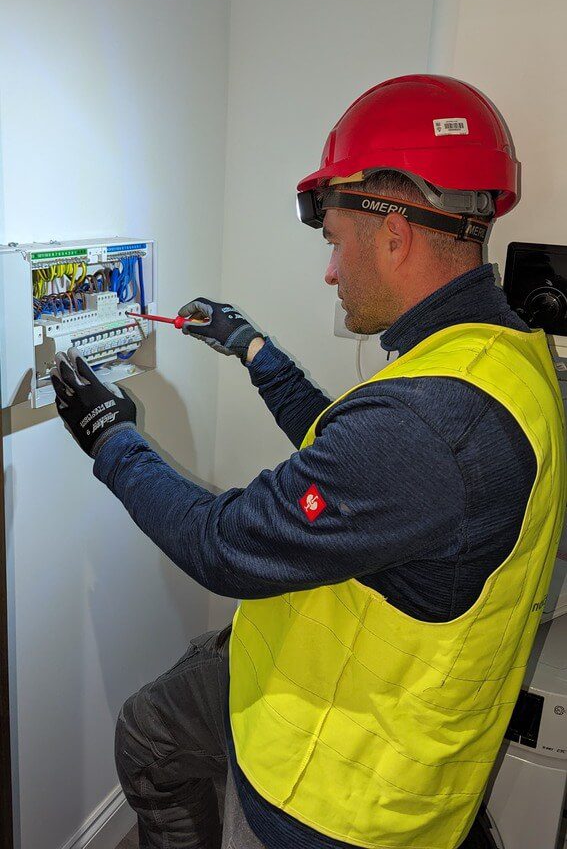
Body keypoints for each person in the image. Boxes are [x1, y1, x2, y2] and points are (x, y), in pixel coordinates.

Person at [50, 74, 566, 849]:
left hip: (336, 789)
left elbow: (222, 545)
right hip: (331, 679)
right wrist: (251, 348)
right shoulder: (499, 357)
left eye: (334, 242)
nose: (330, 271)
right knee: (153, 729)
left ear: (392, 236)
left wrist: (110, 437)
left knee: (154, 737)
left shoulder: (429, 424)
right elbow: (349, 447)